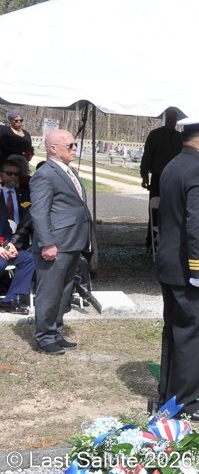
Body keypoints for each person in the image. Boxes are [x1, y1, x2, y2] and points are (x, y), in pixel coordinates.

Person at [156, 118, 199, 422]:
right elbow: (198, 223)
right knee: (194, 335)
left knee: (176, 333)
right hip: (192, 269)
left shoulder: (174, 164)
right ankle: (185, 402)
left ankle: (169, 396)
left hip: (172, 264)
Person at [29, 130, 91, 355]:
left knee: (64, 291)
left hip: (71, 242)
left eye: (75, 145)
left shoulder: (67, 170)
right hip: (56, 244)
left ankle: (55, 332)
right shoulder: (45, 174)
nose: (74, 149)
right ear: (53, 148)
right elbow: (39, 212)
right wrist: (47, 243)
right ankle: (45, 338)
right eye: (70, 145)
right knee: (50, 292)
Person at [140, 109, 183, 248]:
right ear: (165, 119)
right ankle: (151, 242)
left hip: (175, 179)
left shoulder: (180, 138)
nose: (171, 121)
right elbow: (147, 156)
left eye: (173, 119)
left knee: (174, 209)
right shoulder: (155, 135)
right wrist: (144, 176)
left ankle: (171, 242)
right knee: (155, 210)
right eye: (169, 118)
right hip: (158, 177)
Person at [1, 160, 30, 228]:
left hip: (20, 232)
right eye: (9, 173)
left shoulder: (25, 195)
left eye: (16, 174)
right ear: (1, 173)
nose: (13, 176)